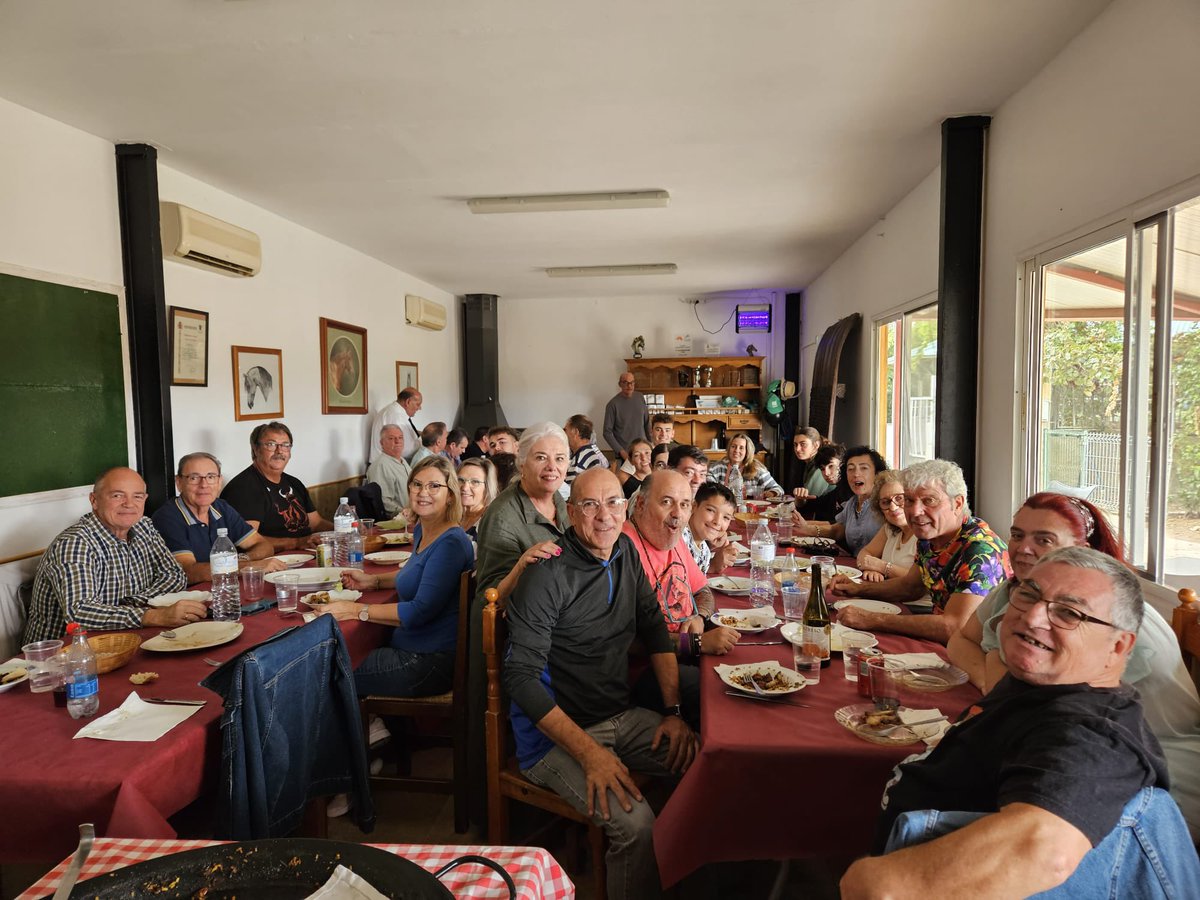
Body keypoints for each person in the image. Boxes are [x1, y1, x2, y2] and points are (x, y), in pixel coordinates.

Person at [841, 548, 1198, 899]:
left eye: (1069, 613)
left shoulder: (1093, 731)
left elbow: (1044, 847)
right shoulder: (1037, 682)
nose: (1032, 618)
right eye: (1028, 594)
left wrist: (887, 882)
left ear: (1118, 647)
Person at [946, 491, 1200, 837]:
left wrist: (995, 667)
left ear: (1085, 550)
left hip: (1155, 772)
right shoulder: (1020, 589)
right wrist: (989, 670)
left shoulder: (1109, 621)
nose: (1023, 548)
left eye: (1044, 539)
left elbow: (1042, 705)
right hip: (1070, 746)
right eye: (1017, 534)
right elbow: (962, 640)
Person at [505, 468, 697, 900]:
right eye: (590, 505)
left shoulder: (625, 550)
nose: (604, 515)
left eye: (613, 503)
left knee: (703, 762)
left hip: (619, 716)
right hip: (552, 740)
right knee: (637, 826)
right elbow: (520, 678)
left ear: (627, 508)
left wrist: (672, 712)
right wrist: (590, 754)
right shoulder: (547, 573)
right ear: (570, 513)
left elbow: (652, 627)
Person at [325, 457, 474, 698]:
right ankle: (373, 723)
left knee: (326, 669)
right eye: (416, 484)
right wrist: (372, 581)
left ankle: (364, 729)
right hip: (412, 648)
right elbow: (416, 573)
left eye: (434, 486)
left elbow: (417, 612)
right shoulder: (423, 529)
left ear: (451, 495)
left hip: (427, 661)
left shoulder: (451, 543)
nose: (423, 492)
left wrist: (354, 610)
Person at [834, 459, 1010, 644]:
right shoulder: (931, 536)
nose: (915, 511)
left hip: (980, 655)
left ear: (957, 504)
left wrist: (872, 619)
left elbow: (955, 627)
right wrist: (856, 588)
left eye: (929, 500)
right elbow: (910, 587)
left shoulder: (980, 551)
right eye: (909, 500)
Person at [24, 467, 204, 643]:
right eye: (117, 495)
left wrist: (133, 603)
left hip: (121, 639)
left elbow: (175, 575)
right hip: (58, 657)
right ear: (94, 500)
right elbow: (80, 614)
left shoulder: (143, 526)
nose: (129, 504)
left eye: (137, 496)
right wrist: (152, 615)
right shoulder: (75, 543)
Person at [625, 470, 737, 726]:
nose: (677, 514)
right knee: (723, 693)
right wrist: (694, 644)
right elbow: (628, 641)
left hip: (689, 651)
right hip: (645, 671)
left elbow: (703, 590)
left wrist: (700, 616)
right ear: (641, 504)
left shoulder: (672, 537)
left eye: (684, 504)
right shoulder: (623, 549)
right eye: (666, 502)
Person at [151, 452, 285, 584]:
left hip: (224, 588)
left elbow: (263, 546)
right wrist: (249, 566)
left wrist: (242, 559)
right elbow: (187, 571)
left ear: (219, 481)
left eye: (211, 477)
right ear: (179, 483)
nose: (204, 485)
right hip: (189, 598)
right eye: (194, 478)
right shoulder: (167, 517)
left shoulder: (221, 507)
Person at [220, 422, 332, 549]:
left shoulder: (294, 483)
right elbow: (247, 542)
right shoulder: (244, 488)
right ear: (255, 449)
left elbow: (316, 524)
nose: (279, 451)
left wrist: (347, 530)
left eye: (285, 445)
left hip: (307, 551)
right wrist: (297, 543)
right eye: (271, 444)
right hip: (273, 561)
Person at [794, 447, 887, 556]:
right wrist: (806, 529)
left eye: (864, 468)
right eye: (850, 469)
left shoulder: (886, 503)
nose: (856, 474)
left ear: (877, 473)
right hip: (854, 566)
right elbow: (837, 530)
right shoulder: (852, 503)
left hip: (877, 570)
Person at [854, 470, 919, 584]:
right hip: (889, 595)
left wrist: (882, 567)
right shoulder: (889, 528)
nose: (893, 507)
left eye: (899, 498)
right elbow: (864, 553)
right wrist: (871, 569)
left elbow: (920, 581)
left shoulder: (925, 533)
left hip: (913, 601)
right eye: (886, 502)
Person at [706, 434, 783, 501]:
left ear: (747, 451)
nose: (736, 450)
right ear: (729, 449)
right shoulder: (716, 467)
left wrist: (771, 493)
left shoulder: (757, 469)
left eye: (741, 448)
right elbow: (707, 487)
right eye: (733, 446)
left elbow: (778, 489)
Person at [684, 483, 738, 575]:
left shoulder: (705, 551)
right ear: (694, 507)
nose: (717, 522)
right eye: (711, 510)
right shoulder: (678, 539)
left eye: (726, 518)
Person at [365, 424, 412, 519]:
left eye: (400, 437)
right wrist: (405, 512)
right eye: (391, 438)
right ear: (382, 443)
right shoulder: (380, 466)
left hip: (412, 515)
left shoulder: (402, 461)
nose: (397, 441)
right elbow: (383, 501)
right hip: (396, 521)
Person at [603, 371, 649, 466]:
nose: (629, 386)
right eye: (626, 382)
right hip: (626, 454)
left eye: (632, 382)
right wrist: (621, 451)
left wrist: (650, 443)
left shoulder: (640, 397)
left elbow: (647, 422)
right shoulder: (612, 405)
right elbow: (607, 432)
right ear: (620, 384)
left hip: (643, 450)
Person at [368, 387, 422, 464]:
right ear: (408, 402)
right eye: (418, 404)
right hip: (386, 466)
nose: (419, 408)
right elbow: (405, 449)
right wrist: (425, 443)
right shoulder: (396, 416)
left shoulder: (392, 411)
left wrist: (422, 434)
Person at [562, 414, 607, 495]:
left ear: (576, 432)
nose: (563, 434)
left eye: (565, 430)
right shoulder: (592, 450)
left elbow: (568, 492)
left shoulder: (581, 457)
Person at [458, 457, 498, 541]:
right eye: (461, 480)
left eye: (475, 482)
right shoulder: (451, 515)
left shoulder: (491, 523)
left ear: (487, 487)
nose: (465, 487)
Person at [790, 426, 834, 500]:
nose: (797, 449)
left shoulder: (821, 466)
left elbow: (808, 499)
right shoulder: (809, 463)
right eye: (795, 444)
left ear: (816, 445)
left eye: (803, 444)